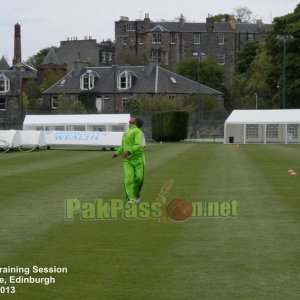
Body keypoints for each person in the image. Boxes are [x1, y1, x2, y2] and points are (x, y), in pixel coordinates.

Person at [112, 116, 145, 204]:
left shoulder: (138, 132)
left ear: (136, 122)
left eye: (134, 118)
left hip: (138, 159)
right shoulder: (126, 133)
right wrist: (117, 153)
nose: (131, 118)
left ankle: (137, 195)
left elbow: (137, 145)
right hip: (128, 161)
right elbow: (123, 146)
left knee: (139, 178)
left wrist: (129, 152)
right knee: (128, 179)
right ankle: (131, 199)